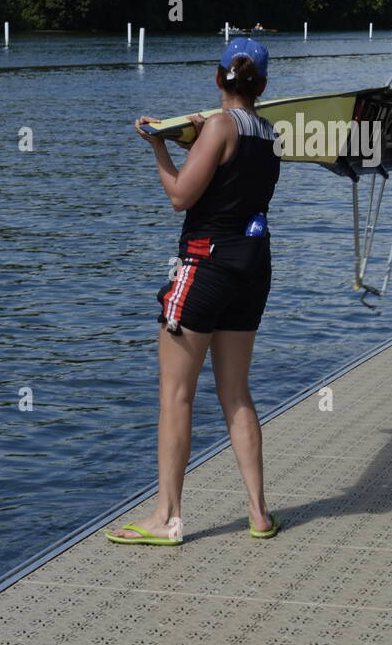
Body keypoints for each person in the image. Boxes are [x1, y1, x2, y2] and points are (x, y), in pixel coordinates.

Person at [106, 37, 281, 546]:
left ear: (217, 76)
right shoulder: (269, 133)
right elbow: (234, 178)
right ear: (263, 86)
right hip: (252, 266)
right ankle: (259, 513)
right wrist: (196, 145)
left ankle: (167, 518)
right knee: (236, 392)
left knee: (175, 394)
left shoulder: (219, 127)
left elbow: (182, 196)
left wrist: (158, 144)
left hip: (205, 264)